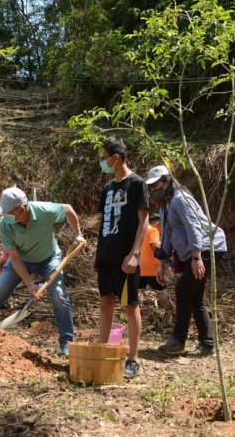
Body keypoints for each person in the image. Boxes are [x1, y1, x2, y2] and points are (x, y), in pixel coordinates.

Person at [0, 187, 87, 355]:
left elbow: (68, 209)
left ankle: (66, 343)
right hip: (21, 260)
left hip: (49, 259)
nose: (3, 215)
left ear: (21, 209)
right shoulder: (4, 225)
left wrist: (78, 234)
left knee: (59, 295)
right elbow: (15, 258)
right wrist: (29, 283)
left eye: (7, 211)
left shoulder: (44, 210)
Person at [146, 165, 227, 357]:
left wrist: (197, 257)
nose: (153, 189)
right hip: (196, 250)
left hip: (208, 247)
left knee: (183, 289)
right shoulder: (165, 206)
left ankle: (178, 340)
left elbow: (193, 227)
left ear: (167, 181)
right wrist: (161, 264)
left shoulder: (181, 199)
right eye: (151, 186)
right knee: (194, 295)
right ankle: (207, 344)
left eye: (156, 184)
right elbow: (167, 236)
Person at [94, 136, 148, 379]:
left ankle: (133, 359)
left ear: (116, 158)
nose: (102, 162)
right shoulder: (108, 188)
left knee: (130, 305)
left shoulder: (136, 184)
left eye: (104, 157)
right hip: (106, 256)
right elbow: (104, 223)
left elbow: (143, 222)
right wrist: (98, 254)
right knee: (106, 301)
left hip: (126, 258)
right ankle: (103, 352)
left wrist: (134, 254)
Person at [139, 213, 169, 306]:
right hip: (152, 268)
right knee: (162, 289)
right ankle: (168, 310)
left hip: (139, 267)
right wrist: (167, 255)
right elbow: (155, 245)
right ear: (157, 224)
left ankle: (138, 311)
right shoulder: (153, 230)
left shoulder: (140, 231)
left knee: (138, 290)